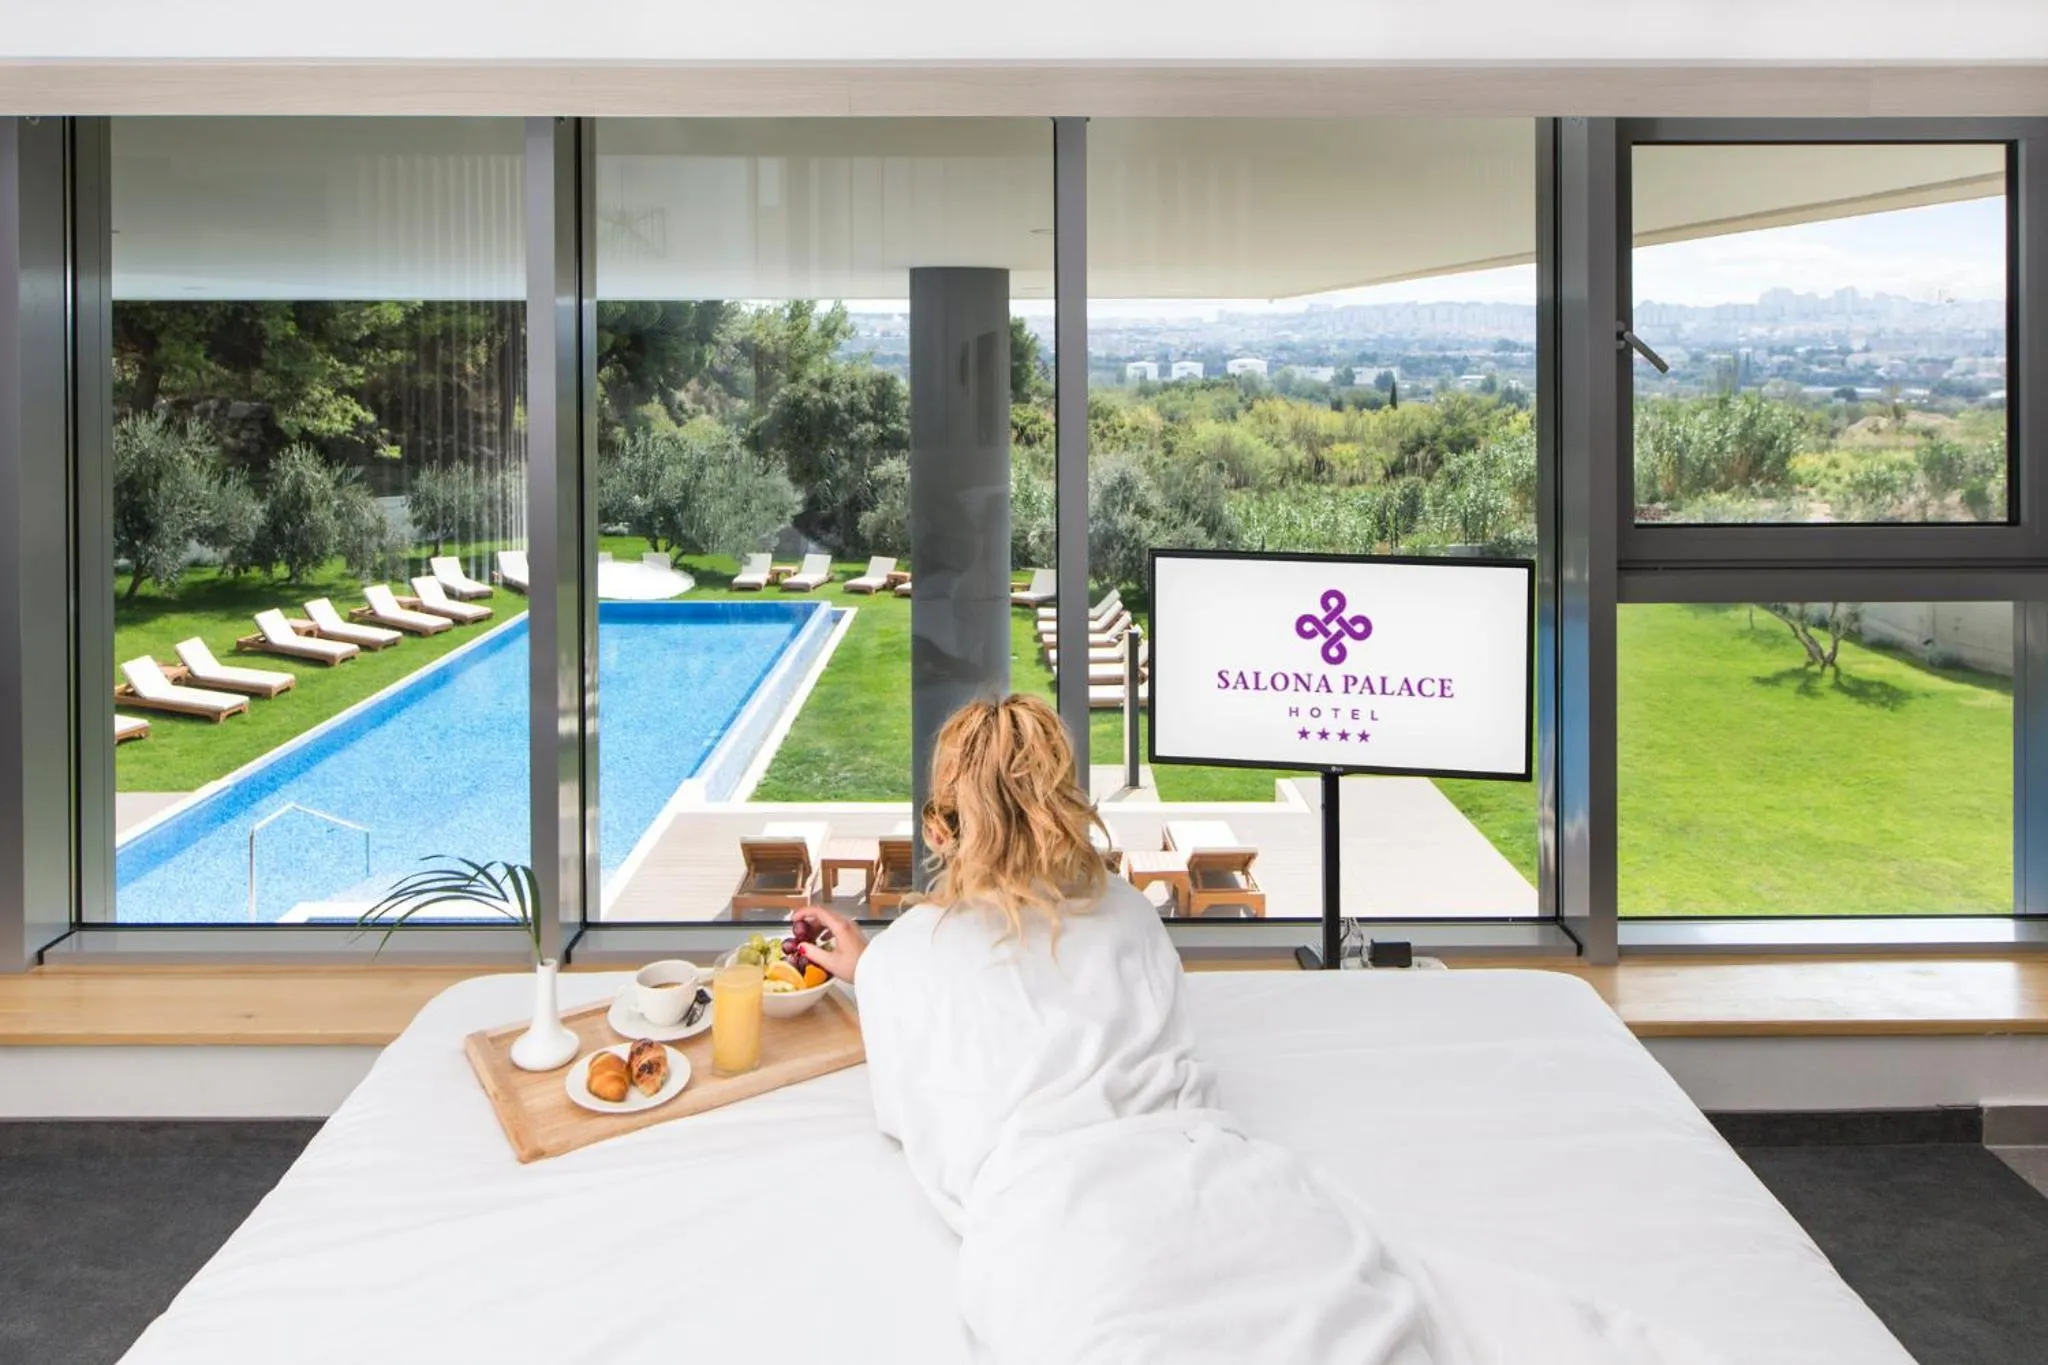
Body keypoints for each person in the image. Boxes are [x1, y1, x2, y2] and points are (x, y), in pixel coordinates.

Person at [795, 694, 1441, 1364]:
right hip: (1230, 1187)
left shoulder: (908, 955)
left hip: (1059, 1237)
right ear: (1063, 811)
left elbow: (907, 1111)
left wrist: (872, 970)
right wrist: (881, 968)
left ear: (936, 831)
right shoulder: (1130, 911)